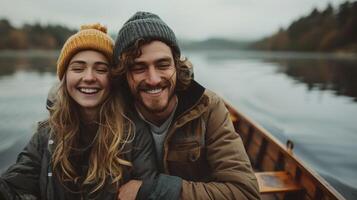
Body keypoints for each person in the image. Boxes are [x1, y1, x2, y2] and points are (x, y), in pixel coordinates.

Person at [113, 11, 261, 200]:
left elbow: (245, 193)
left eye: (162, 65)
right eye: (139, 68)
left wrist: (153, 190)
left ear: (176, 65)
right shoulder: (113, 113)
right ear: (124, 74)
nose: (153, 79)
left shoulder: (208, 107)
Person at [0, 23, 157, 199]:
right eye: (78, 68)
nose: (89, 77)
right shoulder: (46, 134)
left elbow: (148, 188)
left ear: (113, 79)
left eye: (101, 69)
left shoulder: (134, 134)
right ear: (65, 77)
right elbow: (14, 187)